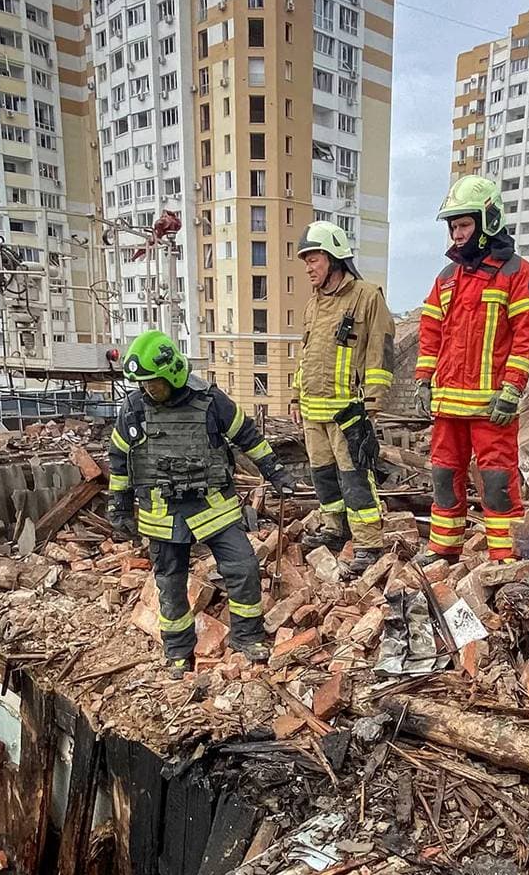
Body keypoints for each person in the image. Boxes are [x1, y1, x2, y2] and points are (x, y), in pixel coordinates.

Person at [107, 329, 294, 675]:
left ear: (173, 374)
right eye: (143, 384)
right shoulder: (132, 409)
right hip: (162, 512)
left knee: (243, 567)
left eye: (154, 383)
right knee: (171, 584)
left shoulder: (210, 401)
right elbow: (120, 457)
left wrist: (276, 472)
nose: (149, 390)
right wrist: (118, 505)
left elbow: (247, 436)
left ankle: (247, 636)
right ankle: (178, 653)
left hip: (212, 506)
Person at [414, 175, 529, 564]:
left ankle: (504, 558)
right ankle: (443, 548)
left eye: (464, 225)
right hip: (448, 406)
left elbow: (528, 337)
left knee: (497, 482)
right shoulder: (447, 279)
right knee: (443, 477)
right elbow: (430, 333)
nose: (457, 234)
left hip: (492, 407)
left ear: (488, 220)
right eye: (453, 226)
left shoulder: (518, 273)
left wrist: (512, 389)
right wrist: (423, 380)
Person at [294, 220, 396, 576]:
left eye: (314, 258)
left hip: (348, 411)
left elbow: (380, 352)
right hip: (313, 409)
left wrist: (373, 402)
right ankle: (334, 529)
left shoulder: (367, 297)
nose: (308, 267)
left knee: (355, 476)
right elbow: (307, 354)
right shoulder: (313, 304)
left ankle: (368, 542)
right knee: (323, 475)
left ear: (335, 258)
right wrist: (296, 397)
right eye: (305, 260)